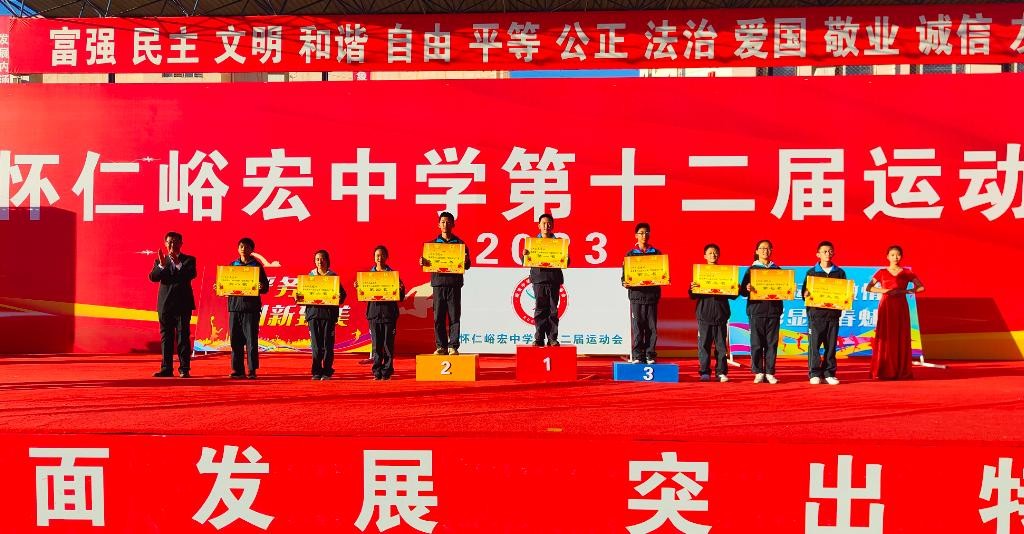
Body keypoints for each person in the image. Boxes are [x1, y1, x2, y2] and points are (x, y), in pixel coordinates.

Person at [867, 245, 924, 380]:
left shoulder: (907, 272)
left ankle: (900, 370)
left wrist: (906, 291)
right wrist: (885, 291)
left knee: (900, 335)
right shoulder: (881, 272)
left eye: (898, 255)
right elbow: (869, 288)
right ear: (887, 257)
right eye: (892, 255)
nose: (895, 257)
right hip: (886, 306)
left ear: (901, 256)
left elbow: (921, 287)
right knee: (885, 335)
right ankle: (883, 369)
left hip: (900, 306)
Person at [420, 211, 471, 356]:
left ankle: (453, 346)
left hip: (454, 285)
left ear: (453, 224)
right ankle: (441, 346)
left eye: (448, 222)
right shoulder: (431, 246)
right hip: (438, 284)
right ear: (438, 225)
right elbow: (427, 264)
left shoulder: (460, 244)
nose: (445, 224)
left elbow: (467, 265)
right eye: (442, 222)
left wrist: (466, 261)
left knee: (454, 317)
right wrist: (423, 262)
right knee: (438, 317)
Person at [148, 231, 197, 378]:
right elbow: (153, 277)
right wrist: (162, 266)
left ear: (181, 244)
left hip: (183, 305)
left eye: (175, 242)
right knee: (166, 337)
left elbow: (190, 275)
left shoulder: (189, 260)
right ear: (165, 243)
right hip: (165, 305)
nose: (172, 245)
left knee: (183, 337)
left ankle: (184, 368)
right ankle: (166, 368)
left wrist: (177, 263)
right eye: (169, 242)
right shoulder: (160, 261)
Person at [689, 244, 737, 382]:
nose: (713, 255)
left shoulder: (726, 274)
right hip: (704, 315)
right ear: (705, 256)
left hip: (721, 315)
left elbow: (733, 295)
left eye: (715, 253)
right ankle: (704, 372)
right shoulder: (700, 273)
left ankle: (721, 372)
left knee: (721, 347)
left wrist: (736, 288)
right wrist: (692, 288)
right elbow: (693, 296)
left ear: (719, 255)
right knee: (704, 345)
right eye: (710, 253)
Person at [358, 245, 406, 380]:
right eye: (377, 255)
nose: (380, 258)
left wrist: (401, 289)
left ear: (387, 257)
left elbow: (400, 297)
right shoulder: (368, 277)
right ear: (374, 258)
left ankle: (387, 371)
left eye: (382, 255)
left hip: (389, 315)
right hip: (374, 314)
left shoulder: (393, 275)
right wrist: (360, 288)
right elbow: (364, 296)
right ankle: (377, 371)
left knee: (388, 344)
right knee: (376, 345)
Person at [739, 240, 783, 384]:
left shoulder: (778, 270)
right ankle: (758, 372)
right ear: (757, 251)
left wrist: (788, 289)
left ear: (771, 251)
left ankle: (770, 372)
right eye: (762, 248)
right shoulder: (751, 270)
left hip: (773, 312)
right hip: (756, 311)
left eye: (768, 248)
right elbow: (742, 292)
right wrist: (747, 288)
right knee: (756, 343)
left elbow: (783, 291)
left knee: (772, 344)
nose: (765, 251)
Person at [802, 240, 846, 386]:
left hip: (833, 316)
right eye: (825, 251)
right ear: (818, 254)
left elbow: (843, 293)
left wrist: (847, 296)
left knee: (831, 346)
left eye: (830, 251)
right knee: (814, 346)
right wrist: (805, 294)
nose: (828, 253)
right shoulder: (811, 272)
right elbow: (804, 292)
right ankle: (814, 373)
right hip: (816, 315)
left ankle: (829, 373)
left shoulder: (840, 273)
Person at [228, 237, 270, 379]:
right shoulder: (232, 265)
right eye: (241, 246)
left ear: (252, 250)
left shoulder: (256, 266)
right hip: (234, 307)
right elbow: (226, 285)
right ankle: (237, 369)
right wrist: (220, 287)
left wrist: (261, 286)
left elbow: (265, 287)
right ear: (237, 249)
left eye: (247, 247)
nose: (243, 249)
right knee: (235, 340)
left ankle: (252, 369)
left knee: (251, 340)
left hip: (251, 308)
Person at [523, 213, 566, 347]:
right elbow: (525, 261)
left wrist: (564, 255)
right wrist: (525, 255)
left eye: (549, 223)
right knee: (540, 310)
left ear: (552, 225)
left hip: (553, 279)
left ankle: (552, 338)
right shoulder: (532, 243)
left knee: (553, 310)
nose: (546, 226)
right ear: (539, 226)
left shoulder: (559, 243)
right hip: (539, 279)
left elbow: (567, 262)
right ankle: (539, 338)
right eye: (544, 223)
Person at [623, 223, 662, 365]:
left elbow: (661, 274)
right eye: (641, 233)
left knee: (651, 328)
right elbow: (624, 276)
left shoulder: (656, 254)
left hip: (651, 296)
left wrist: (663, 278)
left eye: (646, 233)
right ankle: (638, 355)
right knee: (638, 328)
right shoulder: (630, 254)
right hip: (636, 296)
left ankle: (650, 355)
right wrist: (625, 282)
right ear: (636, 235)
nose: (644, 235)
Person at [306, 250, 346, 381]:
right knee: (316, 346)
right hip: (313, 315)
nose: (320, 262)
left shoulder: (333, 277)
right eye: (317, 259)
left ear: (327, 260)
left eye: (322, 259)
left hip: (328, 316)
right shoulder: (309, 277)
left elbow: (342, 295)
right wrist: (299, 296)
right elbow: (304, 295)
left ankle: (327, 371)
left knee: (328, 345)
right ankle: (316, 371)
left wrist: (339, 297)